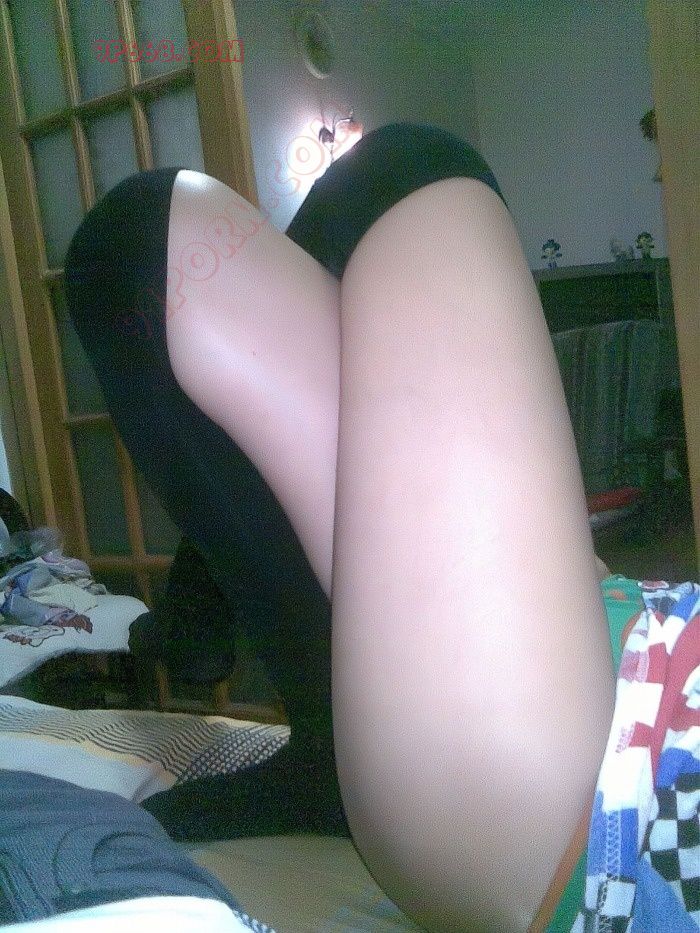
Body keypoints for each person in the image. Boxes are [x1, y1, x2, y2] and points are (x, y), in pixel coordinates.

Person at [65, 125, 698, 931]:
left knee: (394, 170)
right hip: (609, 661)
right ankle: (287, 695)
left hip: (589, 791)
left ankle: (217, 628)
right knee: (148, 248)